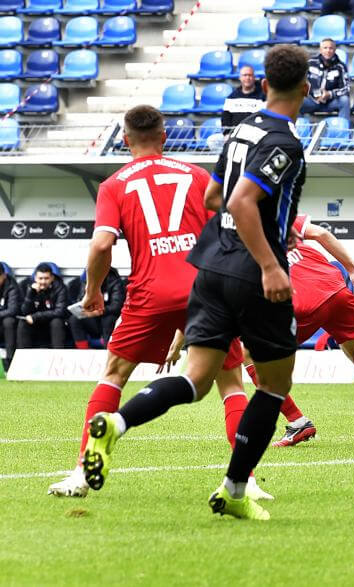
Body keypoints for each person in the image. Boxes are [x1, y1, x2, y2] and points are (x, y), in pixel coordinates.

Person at [80, 45, 311, 520]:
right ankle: (234, 489)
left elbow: (215, 196)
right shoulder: (285, 143)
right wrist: (270, 264)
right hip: (252, 274)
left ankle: (117, 422)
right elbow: (242, 202)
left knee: (196, 378)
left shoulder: (243, 128)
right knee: (272, 384)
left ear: (264, 85)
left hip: (210, 268)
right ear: (306, 89)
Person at [46, 105, 251, 500]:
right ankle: (248, 481)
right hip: (205, 290)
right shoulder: (195, 175)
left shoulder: (114, 185)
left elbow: (102, 243)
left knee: (115, 374)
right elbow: (232, 223)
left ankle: (81, 474)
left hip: (149, 293)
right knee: (230, 382)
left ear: (124, 140)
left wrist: (92, 291)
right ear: (164, 137)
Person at [226, 214, 354, 448]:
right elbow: (321, 234)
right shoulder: (276, 214)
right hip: (336, 287)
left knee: (248, 354)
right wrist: (353, 269)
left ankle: (297, 421)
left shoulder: (230, 240)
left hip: (299, 302)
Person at [68, 268, 124, 349]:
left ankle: (108, 349)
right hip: (93, 318)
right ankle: (83, 350)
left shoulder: (114, 282)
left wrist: (99, 311)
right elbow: (82, 299)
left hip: (108, 316)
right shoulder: (86, 281)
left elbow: (116, 306)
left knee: (109, 319)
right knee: (74, 319)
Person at [17, 263, 68, 349]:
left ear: (52, 278)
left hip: (52, 325)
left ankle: (58, 357)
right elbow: (24, 312)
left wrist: (36, 317)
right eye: (40, 278)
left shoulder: (60, 287)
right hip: (35, 325)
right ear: (35, 278)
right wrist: (31, 293)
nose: (43, 282)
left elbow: (60, 311)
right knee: (23, 323)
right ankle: (24, 359)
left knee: (57, 322)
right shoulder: (26, 286)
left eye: (46, 278)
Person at [301, 39, 350, 119]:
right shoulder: (310, 63)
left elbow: (346, 88)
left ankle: (343, 130)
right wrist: (315, 93)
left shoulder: (341, 66)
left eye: (331, 48)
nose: (328, 51)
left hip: (331, 102)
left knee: (344, 100)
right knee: (294, 100)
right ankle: (298, 129)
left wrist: (330, 94)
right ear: (320, 50)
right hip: (312, 100)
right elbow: (301, 82)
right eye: (325, 48)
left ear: (334, 50)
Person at [222, 65, 266, 132]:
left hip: (255, 134)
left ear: (254, 77)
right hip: (234, 135)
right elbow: (225, 119)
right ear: (240, 77)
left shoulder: (263, 97)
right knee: (212, 140)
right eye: (245, 75)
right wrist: (226, 134)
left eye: (250, 75)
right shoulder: (231, 98)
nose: (248, 78)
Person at [0, 263, 21, 371]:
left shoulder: (12, 286)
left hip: (6, 322)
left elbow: (13, 310)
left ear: (3, 275)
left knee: (9, 322)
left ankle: (10, 362)